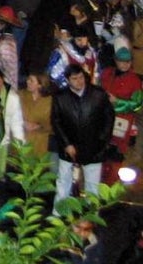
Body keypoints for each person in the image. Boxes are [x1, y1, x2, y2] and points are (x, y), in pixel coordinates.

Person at [52, 63, 115, 207]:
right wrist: (67, 144)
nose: (79, 81)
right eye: (74, 78)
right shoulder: (60, 97)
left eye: (81, 77)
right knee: (63, 181)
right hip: (68, 148)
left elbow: (109, 119)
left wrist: (101, 141)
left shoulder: (98, 94)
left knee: (92, 185)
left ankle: (91, 216)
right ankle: (58, 214)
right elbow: (56, 122)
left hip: (94, 147)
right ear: (68, 80)